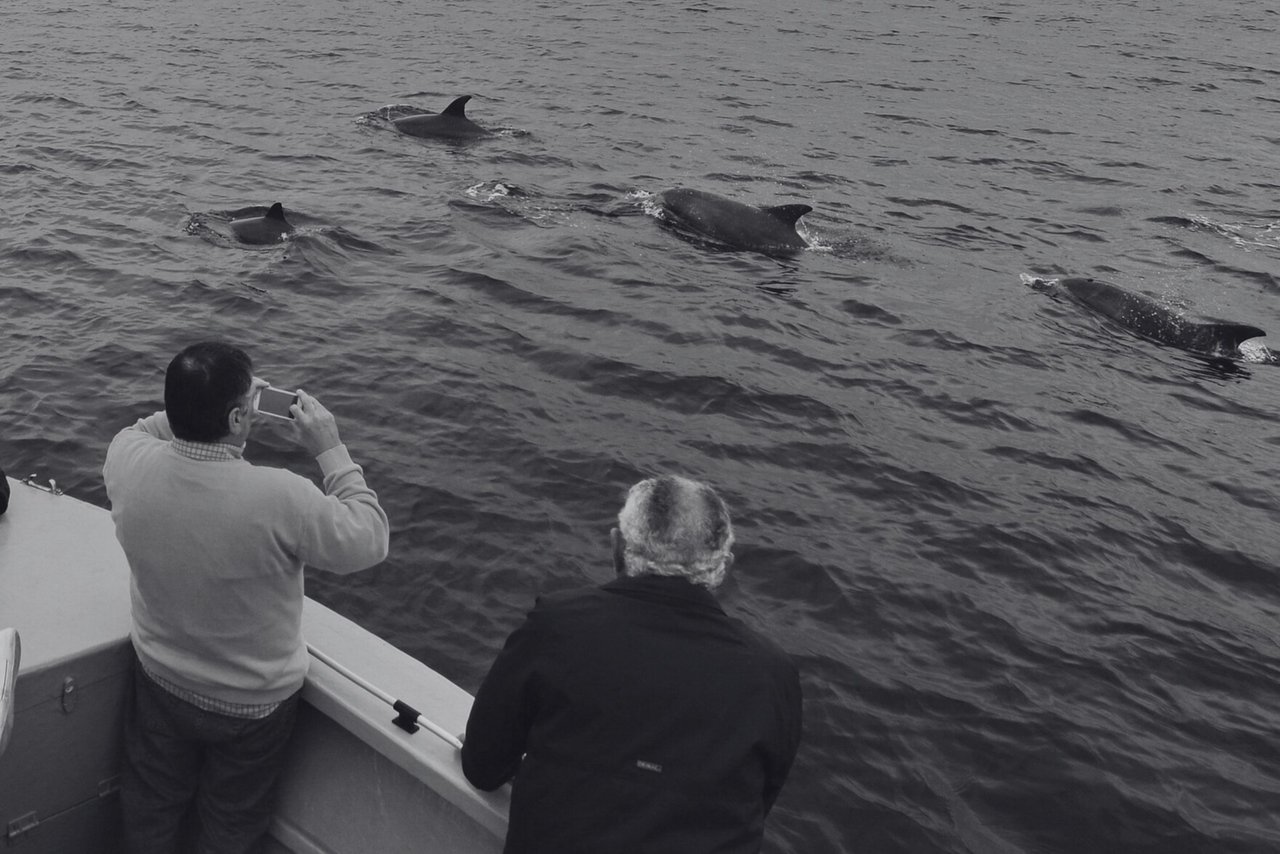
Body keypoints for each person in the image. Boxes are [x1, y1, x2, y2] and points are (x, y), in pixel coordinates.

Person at [102, 341, 390, 854]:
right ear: (240, 417)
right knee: (230, 823)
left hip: (161, 682)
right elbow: (369, 539)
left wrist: (198, 403)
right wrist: (330, 447)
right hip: (252, 708)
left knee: (150, 808)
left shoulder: (126, 460)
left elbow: (148, 428)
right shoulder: (282, 496)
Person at [461, 474, 803, 854]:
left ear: (617, 546)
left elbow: (483, 766)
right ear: (724, 566)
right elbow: (761, 800)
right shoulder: (774, 674)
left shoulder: (557, 626)